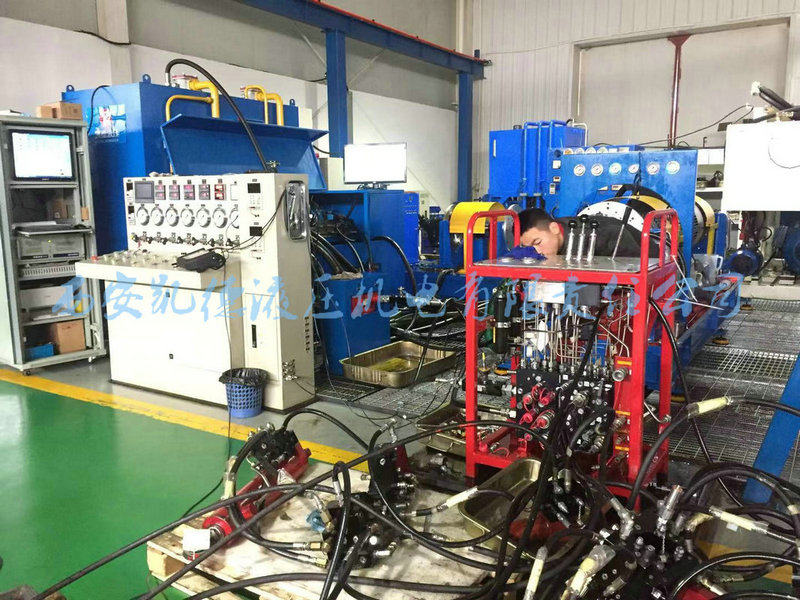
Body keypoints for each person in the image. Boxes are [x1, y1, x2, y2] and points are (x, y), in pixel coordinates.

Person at [517, 208, 658, 259]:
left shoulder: (596, 237)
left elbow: (636, 268)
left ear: (554, 228)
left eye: (538, 243)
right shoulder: (556, 229)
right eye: (528, 247)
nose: (536, 251)